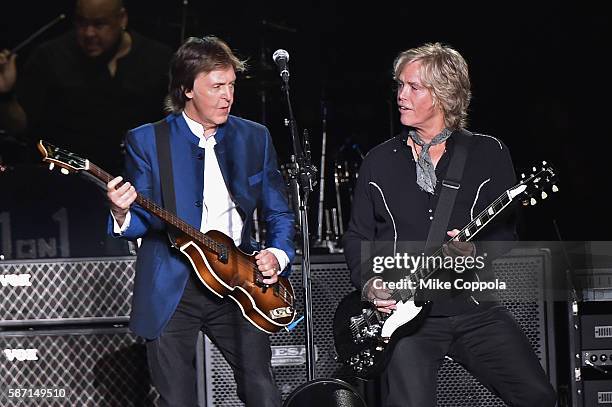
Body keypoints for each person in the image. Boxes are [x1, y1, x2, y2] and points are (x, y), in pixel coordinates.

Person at [342, 42, 556, 407]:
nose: (401, 96)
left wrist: (474, 251)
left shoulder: (488, 152)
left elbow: (506, 234)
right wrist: (370, 283)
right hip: (405, 319)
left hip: (473, 308)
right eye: (399, 85)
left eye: (414, 87)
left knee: (538, 397)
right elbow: (357, 235)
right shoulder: (378, 161)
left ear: (443, 95)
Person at [105, 36, 295, 407]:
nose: (228, 96)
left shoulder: (254, 137)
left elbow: (278, 211)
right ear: (187, 90)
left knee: (263, 391)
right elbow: (143, 217)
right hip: (174, 284)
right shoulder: (148, 140)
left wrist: (277, 253)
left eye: (231, 86)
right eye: (216, 87)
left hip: (239, 278)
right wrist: (121, 211)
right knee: (176, 398)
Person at [0, 0, 172, 173]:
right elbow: (17, 127)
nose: (89, 33)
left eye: (100, 24)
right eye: (82, 23)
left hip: (137, 179)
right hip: (64, 179)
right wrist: (5, 94)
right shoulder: (50, 57)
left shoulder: (157, 58)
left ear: (122, 19)